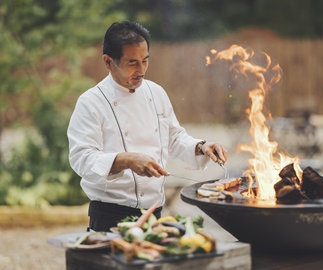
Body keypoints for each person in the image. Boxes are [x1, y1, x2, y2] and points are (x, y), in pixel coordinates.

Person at [67, 20, 228, 232]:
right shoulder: (91, 102)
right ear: (108, 62)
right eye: (132, 63)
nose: (141, 70)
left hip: (154, 215)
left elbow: (174, 137)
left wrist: (201, 146)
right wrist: (126, 160)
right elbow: (81, 159)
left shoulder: (156, 92)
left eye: (145, 61)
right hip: (110, 217)